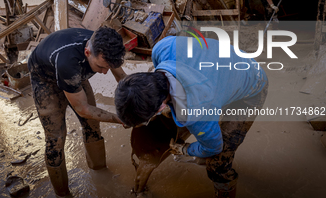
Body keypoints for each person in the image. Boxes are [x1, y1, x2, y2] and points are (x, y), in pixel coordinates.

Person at [115, 35, 268, 198]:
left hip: (253, 84)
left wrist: (186, 149)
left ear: (160, 107)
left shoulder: (196, 112)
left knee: (217, 163)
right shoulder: (163, 48)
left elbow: (214, 146)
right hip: (227, 65)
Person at [28, 27, 126, 196]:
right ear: (87, 52)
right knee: (55, 141)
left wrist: (135, 104)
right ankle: (63, 193)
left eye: (109, 67)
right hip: (46, 80)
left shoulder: (105, 46)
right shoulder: (68, 62)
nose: (104, 73)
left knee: (93, 126)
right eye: (101, 67)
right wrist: (119, 119)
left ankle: (100, 170)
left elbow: (122, 79)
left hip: (76, 75)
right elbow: (84, 110)